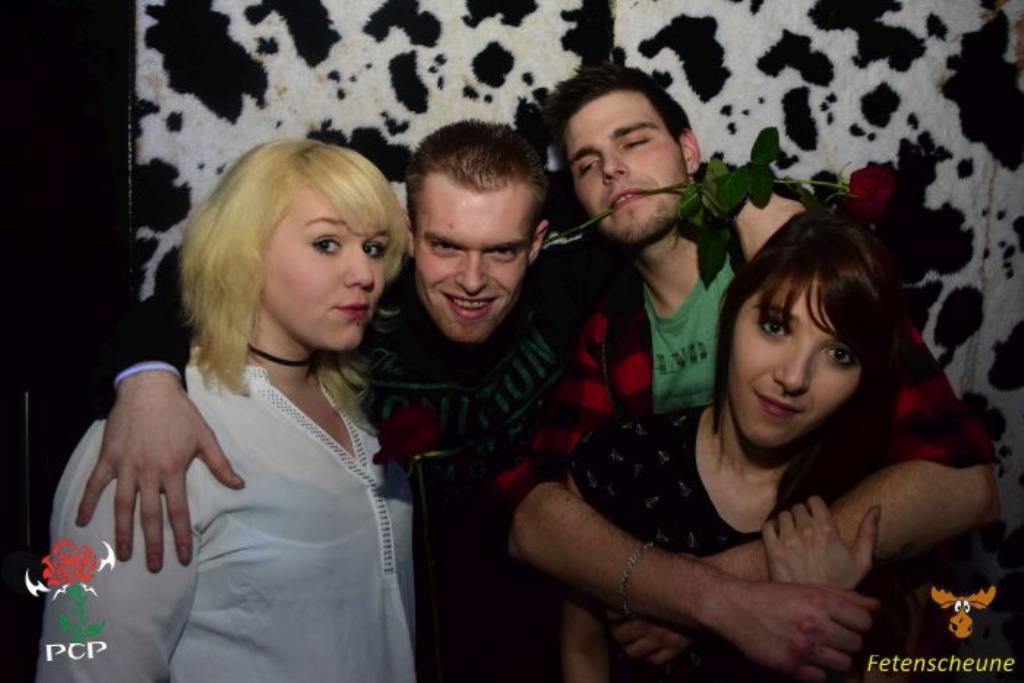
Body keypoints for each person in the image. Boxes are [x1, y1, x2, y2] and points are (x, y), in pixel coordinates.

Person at [77, 121, 620, 683]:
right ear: (412, 235)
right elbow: (200, 296)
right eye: (445, 245)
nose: (472, 279)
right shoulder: (357, 315)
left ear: (536, 243)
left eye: (502, 250)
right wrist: (144, 377)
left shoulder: (563, 282)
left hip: (530, 643)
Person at [508, 63, 998, 679]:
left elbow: (967, 484)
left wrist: (709, 591)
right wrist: (707, 601)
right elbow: (541, 516)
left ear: (690, 152)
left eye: (633, 141)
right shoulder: (609, 334)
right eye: (586, 164)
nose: (611, 169)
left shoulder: (796, 263)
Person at [37, 140, 414, 681]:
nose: (364, 274)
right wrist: (145, 377)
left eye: (374, 248)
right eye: (327, 244)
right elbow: (87, 666)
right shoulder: (158, 431)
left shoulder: (363, 403)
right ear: (247, 251)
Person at [562, 211, 905, 682]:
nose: (793, 377)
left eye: (839, 355)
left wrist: (830, 617)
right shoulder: (619, 463)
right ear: (732, 314)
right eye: (776, 326)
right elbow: (583, 652)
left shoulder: (866, 511)